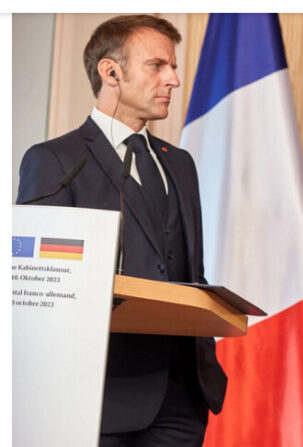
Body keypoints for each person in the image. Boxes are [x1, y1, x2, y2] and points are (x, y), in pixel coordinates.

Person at [17, 15, 226, 445]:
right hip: (97, 396)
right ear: (111, 72)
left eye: (174, 66)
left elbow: (189, 270)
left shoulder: (180, 164)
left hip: (182, 399)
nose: (174, 79)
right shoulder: (55, 161)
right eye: (157, 66)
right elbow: (43, 290)